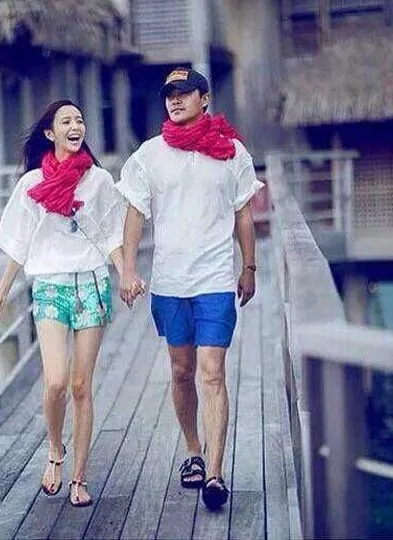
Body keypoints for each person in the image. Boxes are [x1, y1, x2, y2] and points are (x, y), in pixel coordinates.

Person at [116, 67, 264, 510]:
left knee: (212, 372)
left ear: (205, 97)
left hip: (215, 279)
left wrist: (249, 266)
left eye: (184, 93)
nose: (175, 100)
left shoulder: (232, 152)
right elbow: (135, 214)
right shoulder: (149, 155)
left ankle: (215, 473)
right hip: (170, 280)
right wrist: (127, 269)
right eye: (169, 94)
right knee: (181, 371)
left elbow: (243, 214)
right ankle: (194, 452)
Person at [0, 99, 127, 508]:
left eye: (79, 120)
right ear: (50, 133)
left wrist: (125, 275)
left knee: (82, 386)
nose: (75, 126)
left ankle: (79, 477)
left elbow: (111, 234)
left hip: (92, 285)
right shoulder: (31, 184)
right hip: (50, 286)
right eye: (66, 121)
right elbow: (19, 243)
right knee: (56, 382)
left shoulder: (98, 180)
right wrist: (0, 292)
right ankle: (54, 449)